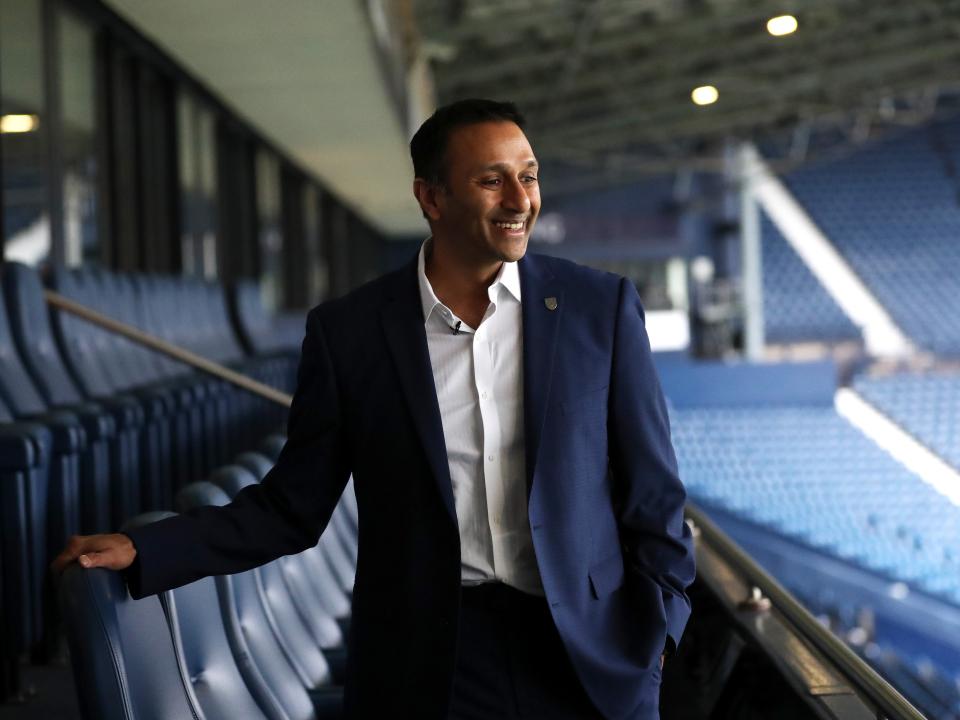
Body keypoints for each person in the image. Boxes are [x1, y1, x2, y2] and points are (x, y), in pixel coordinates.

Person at [54, 99, 695, 720]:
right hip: (431, 667)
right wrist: (147, 548)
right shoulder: (350, 334)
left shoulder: (598, 308)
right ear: (432, 197)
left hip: (590, 660)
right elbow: (291, 509)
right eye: (492, 180)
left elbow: (653, 494)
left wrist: (660, 633)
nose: (520, 200)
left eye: (528, 177)